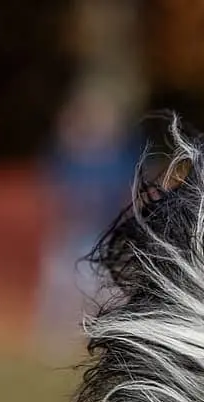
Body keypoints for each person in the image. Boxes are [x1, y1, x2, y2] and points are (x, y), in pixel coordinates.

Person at [35, 83, 140, 359]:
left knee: (110, 293)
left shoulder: (121, 158)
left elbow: (131, 193)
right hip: (72, 236)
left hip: (107, 238)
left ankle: (117, 339)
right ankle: (54, 343)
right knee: (61, 291)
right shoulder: (69, 157)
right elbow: (55, 189)